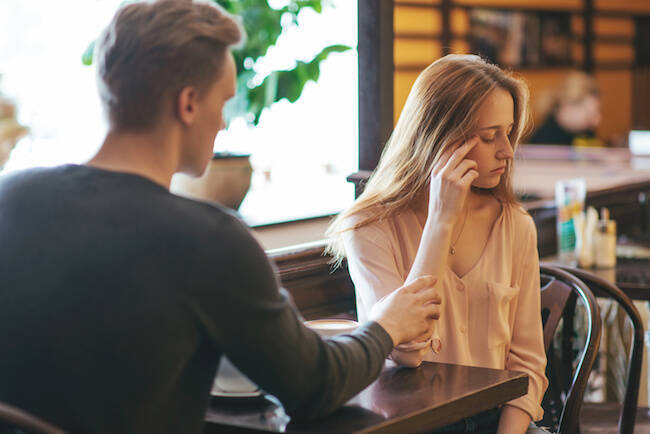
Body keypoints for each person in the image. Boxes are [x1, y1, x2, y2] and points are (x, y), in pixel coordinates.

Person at [0, 1, 443, 433]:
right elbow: (314, 385)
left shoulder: (10, 196)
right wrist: (386, 325)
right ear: (188, 103)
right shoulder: (207, 239)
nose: (225, 123)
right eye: (224, 101)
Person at [327, 54, 549, 433]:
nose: (507, 151)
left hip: (502, 422)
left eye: (509, 133)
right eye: (488, 136)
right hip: (412, 424)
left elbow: (527, 363)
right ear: (440, 139)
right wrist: (441, 220)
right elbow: (406, 351)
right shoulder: (367, 227)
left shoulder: (515, 225)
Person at [529, 71, 601, 146]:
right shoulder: (544, 141)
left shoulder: (585, 134)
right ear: (566, 106)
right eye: (588, 114)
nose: (596, 121)